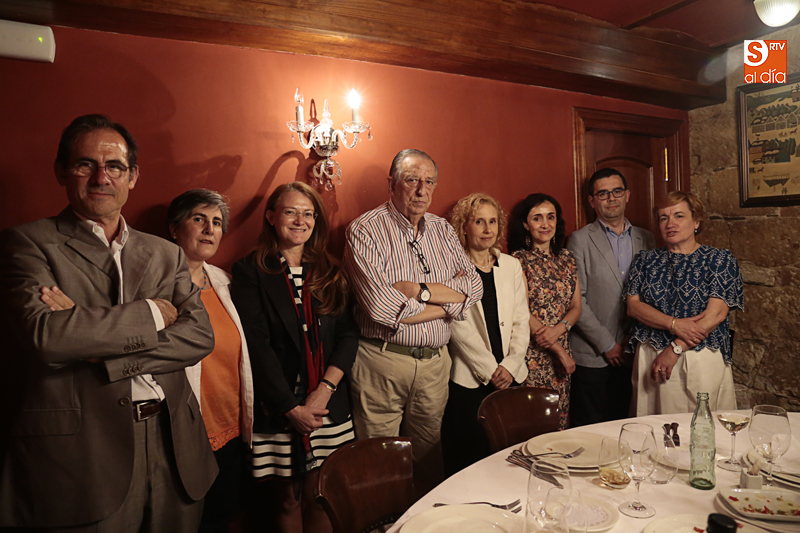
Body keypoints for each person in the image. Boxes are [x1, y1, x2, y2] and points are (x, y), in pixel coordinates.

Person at [0, 114, 217, 531]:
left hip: (175, 445)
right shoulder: (27, 243)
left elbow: (199, 336)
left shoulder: (164, 253)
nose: (102, 176)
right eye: (85, 164)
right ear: (62, 171)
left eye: (115, 166)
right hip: (85, 455)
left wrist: (98, 347)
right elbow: (45, 337)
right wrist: (154, 313)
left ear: (132, 176)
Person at [343, 149, 482, 494]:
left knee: (429, 458)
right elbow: (381, 307)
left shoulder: (443, 230)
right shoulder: (364, 230)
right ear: (391, 184)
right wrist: (449, 301)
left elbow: (473, 287)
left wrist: (418, 292)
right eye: (412, 180)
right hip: (382, 361)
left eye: (429, 181)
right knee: (380, 462)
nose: (422, 190)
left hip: (436, 364)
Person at [231, 181, 358, 533]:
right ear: (271, 217)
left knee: (322, 493)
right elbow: (256, 346)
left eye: (308, 213)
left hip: (327, 405)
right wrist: (291, 408)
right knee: (287, 498)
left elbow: (348, 335)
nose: (300, 220)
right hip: (279, 407)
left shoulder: (330, 269)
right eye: (290, 211)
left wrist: (325, 390)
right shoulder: (249, 271)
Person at [166, 189, 254, 533]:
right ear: (174, 228)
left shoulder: (224, 281)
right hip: (187, 430)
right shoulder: (155, 284)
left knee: (224, 514)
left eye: (216, 222)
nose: (209, 229)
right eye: (198, 219)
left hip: (230, 425)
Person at [626, 191, 743, 415]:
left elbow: (715, 315)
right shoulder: (645, 260)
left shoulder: (720, 260)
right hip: (651, 357)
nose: (670, 223)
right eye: (663, 218)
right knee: (650, 431)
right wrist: (674, 324)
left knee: (702, 427)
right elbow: (634, 306)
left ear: (696, 221)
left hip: (700, 356)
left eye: (679, 216)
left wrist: (675, 348)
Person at [442, 193, 530, 475]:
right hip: (470, 379)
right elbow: (458, 325)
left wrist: (511, 365)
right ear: (464, 226)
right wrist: (491, 369)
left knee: (509, 458)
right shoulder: (451, 268)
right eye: (479, 221)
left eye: (492, 221)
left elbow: (521, 319)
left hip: (511, 376)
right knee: (471, 459)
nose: (487, 229)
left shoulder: (511, 266)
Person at [566, 168, 655, 427]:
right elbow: (577, 300)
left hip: (636, 351)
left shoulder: (646, 238)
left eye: (616, 191)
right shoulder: (579, 240)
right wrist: (607, 344)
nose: (611, 198)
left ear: (627, 195)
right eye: (602, 194)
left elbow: (651, 295)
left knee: (630, 428)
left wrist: (629, 341)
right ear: (592, 201)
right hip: (593, 355)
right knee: (592, 430)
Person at [508, 193, 581, 430]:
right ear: (526, 225)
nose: (545, 224)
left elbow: (576, 306)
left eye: (550, 217)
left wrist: (560, 330)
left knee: (559, 425)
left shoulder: (567, 258)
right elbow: (521, 311)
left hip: (562, 352)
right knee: (534, 425)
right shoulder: (517, 261)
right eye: (537, 218)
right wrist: (558, 350)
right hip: (532, 354)